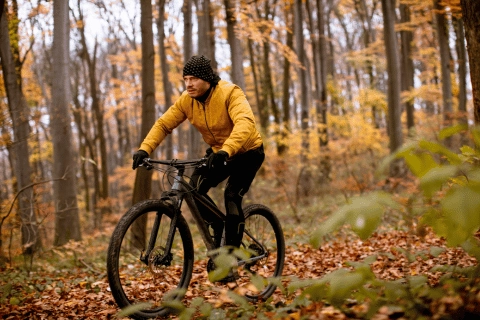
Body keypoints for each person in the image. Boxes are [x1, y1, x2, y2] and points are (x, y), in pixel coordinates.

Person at [132, 55, 265, 255]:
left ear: (207, 79)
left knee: (231, 195)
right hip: (218, 153)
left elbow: (245, 123)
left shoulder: (230, 93)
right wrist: (145, 149)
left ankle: (231, 257)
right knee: (192, 191)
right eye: (185, 79)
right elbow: (163, 124)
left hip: (248, 152)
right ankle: (219, 226)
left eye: (193, 79)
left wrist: (226, 151)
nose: (188, 84)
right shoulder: (187, 101)